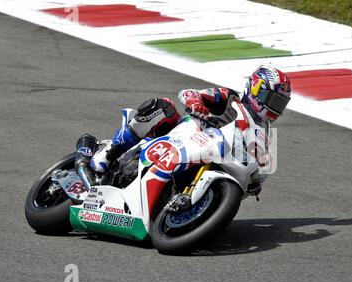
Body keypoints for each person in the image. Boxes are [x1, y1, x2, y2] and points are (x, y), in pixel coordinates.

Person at [90, 65, 292, 193]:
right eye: (272, 100)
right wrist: (197, 104)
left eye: (280, 104)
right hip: (182, 136)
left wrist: (255, 181)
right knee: (163, 108)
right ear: (256, 89)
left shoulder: (263, 135)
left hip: (213, 156)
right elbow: (188, 93)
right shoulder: (229, 99)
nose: (275, 108)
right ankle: (109, 153)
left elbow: (259, 165)